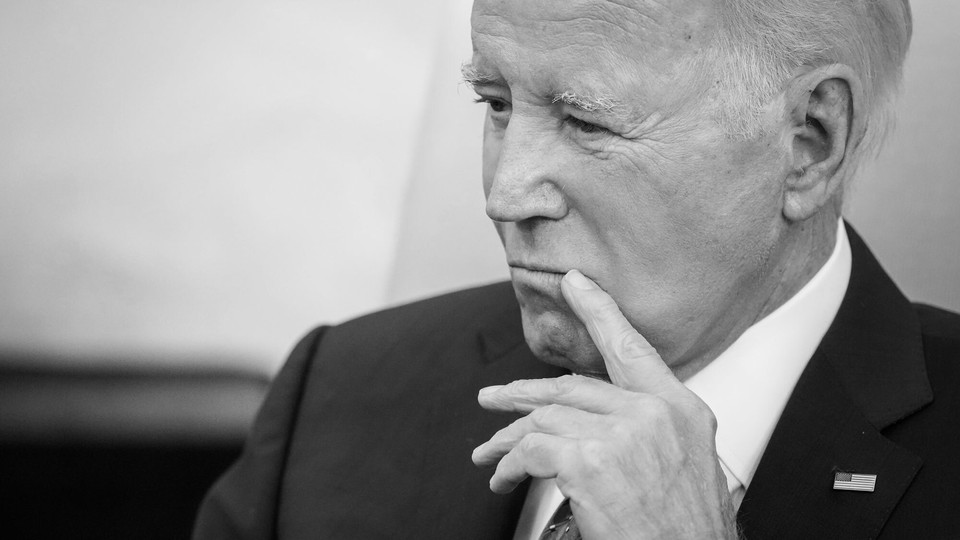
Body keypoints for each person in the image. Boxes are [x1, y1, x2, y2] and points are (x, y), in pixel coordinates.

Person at [194, 0, 960, 538]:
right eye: (494, 103)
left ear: (809, 143)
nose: (504, 193)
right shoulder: (339, 393)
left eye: (587, 122)